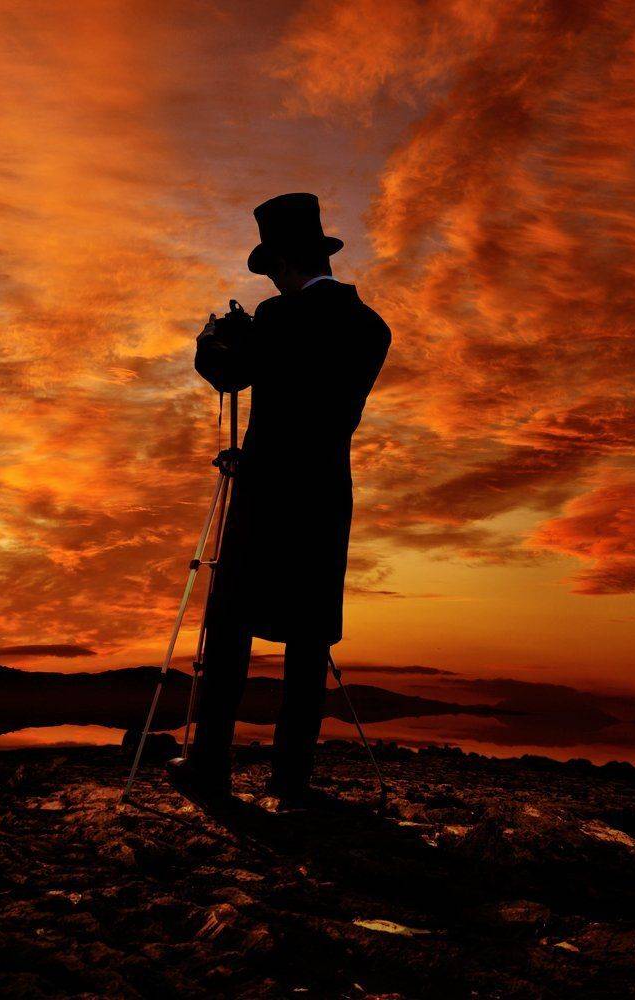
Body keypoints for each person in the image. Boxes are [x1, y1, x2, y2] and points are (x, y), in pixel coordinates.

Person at [167, 192, 391, 809]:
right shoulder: (372, 327)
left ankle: (208, 767)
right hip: (324, 492)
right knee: (309, 637)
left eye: (271, 269)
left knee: (231, 626)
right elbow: (321, 411)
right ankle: (292, 780)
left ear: (285, 263)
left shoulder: (276, 319)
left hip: (265, 493)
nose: (269, 280)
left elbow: (225, 376)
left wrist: (215, 337)